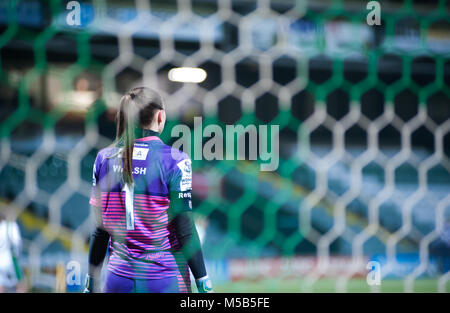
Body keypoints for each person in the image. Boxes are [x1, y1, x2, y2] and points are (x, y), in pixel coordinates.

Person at [84, 87, 212, 293]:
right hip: (162, 278)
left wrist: (90, 283)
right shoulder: (175, 160)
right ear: (160, 116)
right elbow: (185, 228)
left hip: (117, 278)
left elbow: (100, 231)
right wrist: (204, 283)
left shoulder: (104, 159)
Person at [0, 211, 26, 293]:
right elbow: (17, 242)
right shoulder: (11, 226)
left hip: (1, 262)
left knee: (1, 286)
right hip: (11, 260)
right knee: (21, 284)